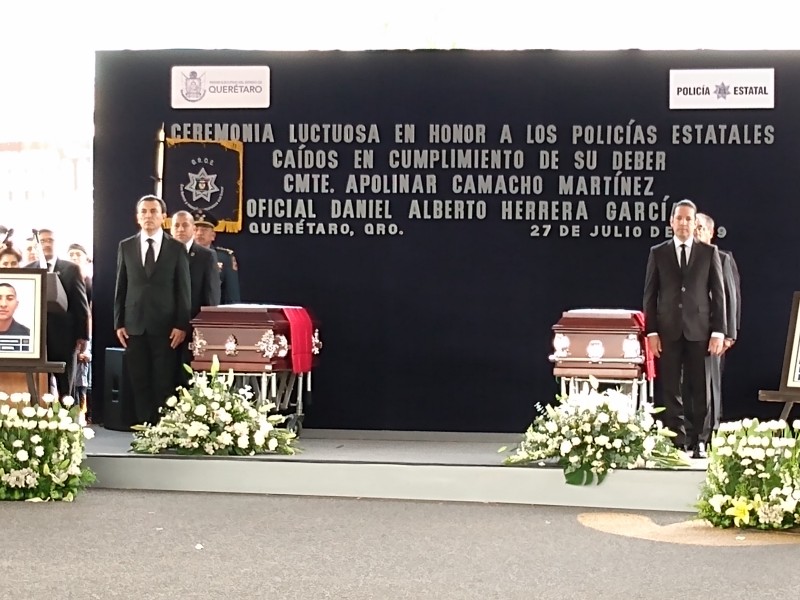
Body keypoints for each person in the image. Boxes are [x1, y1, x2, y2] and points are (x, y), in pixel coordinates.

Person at [642, 199, 726, 458]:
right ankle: (676, 440)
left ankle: (700, 439)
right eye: (679, 218)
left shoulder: (708, 253)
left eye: (689, 219)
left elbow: (719, 294)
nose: (684, 223)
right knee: (670, 387)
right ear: (671, 222)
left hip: (699, 330)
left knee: (700, 387)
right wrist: (651, 332)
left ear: (694, 222)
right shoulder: (659, 252)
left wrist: (719, 331)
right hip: (668, 332)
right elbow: (650, 294)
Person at [114, 195, 191, 425]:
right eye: (144, 212)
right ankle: (145, 429)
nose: (148, 215)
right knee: (140, 381)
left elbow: (183, 290)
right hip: (134, 325)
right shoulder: (126, 246)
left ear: (163, 217)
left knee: (163, 381)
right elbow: (121, 285)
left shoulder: (176, 248)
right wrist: (118, 322)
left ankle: (163, 430)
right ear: (138, 217)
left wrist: (181, 324)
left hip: (166, 327)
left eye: (153, 211)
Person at [28, 228, 90, 399]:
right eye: (43, 241)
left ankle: (68, 422)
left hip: (65, 339)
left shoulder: (71, 269)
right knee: (40, 391)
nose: (47, 244)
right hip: (37, 343)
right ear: (37, 245)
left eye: (50, 240)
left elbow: (81, 305)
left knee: (66, 391)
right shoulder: (28, 269)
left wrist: (83, 336)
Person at [695, 213, 741, 432]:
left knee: (709, 385)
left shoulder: (722, 258)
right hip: (684, 335)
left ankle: (708, 434)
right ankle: (687, 435)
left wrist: (729, 335)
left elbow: (732, 297)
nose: (695, 231)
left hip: (713, 336)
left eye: (700, 227)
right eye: (693, 227)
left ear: (711, 233)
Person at [170, 210, 221, 385]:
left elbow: (211, 297)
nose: (180, 230)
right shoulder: (161, 253)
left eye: (185, 225)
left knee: (189, 380)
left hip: (193, 331)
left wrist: (207, 332)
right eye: (176, 225)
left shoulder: (206, 256)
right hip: (163, 329)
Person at [68, 243, 94, 422]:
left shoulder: (92, 283)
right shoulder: (64, 278)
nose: (74, 257)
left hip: (88, 335)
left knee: (83, 378)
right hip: (69, 335)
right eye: (71, 254)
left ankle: (84, 414)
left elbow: (90, 313)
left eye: (78, 254)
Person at [192, 211, 241, 304]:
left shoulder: (225, 258)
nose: (199, 233)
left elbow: (232, 294)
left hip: (213, 313)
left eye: (204, 229)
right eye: (195, 229)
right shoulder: (181, 254)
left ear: (213, 236)